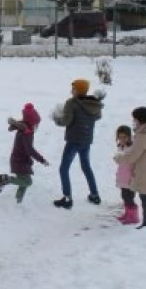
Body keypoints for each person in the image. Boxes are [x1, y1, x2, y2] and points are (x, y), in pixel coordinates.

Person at [51, 79, 105, 209]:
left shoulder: (71, 103)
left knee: (64, 168)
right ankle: (95, 195)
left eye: (73, 89)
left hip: (73, 140)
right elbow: (97, 117)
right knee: (86, 167)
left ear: (79, 90)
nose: (71, 91)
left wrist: (56, 118)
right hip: (86, 140)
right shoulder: (93, 103)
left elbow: (66, 121)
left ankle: (67, 198)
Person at [117, 107, 146, 229]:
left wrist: (119, 158)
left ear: (140, 120)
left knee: (145, 196)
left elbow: (133, 155)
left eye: (135, 119)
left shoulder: (144, 136)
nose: (134, 121)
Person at [0, 103, 49, 204]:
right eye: (36, 124)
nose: (37, 126)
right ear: (31, 123)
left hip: (21, 160)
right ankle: (4, 179)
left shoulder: (25, 130)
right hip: (19, 161)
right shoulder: (26, 133)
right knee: (27, 181)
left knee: (24, 181)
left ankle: (18, 201)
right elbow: (30, 150)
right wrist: (42, 160)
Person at [112, 125, 139, 225]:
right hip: (122, 175)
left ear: (129, 136)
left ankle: (133, 216)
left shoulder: (132, 148)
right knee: (124, 196)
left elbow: (131, 161)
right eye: (120, 137)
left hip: (130, 177)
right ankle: (127, 214)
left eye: (125, 137)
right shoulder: (121, 146)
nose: (122, 139)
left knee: (129, 197)